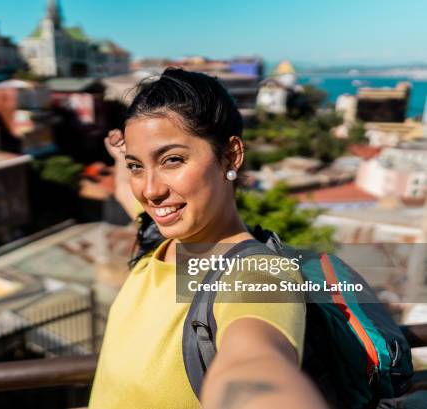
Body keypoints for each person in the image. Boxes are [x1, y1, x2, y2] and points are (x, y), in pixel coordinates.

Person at [88, 68, 329, 409]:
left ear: (231, 155)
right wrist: (120, 158)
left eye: (172, 160)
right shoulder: (160, 236)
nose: (150, 190)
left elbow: (253, 367)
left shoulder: (258, 275)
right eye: (137, 167)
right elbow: (130, 197)